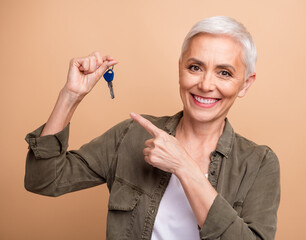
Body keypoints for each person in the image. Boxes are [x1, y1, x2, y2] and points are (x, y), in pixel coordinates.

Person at [25, 16, 280, 240]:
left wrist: (184, 166)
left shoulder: (259, 164)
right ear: (180, 68)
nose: (205, 84)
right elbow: (44, 180)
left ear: (245, 84)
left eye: (224, 73)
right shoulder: (131, 135)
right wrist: (70, 96)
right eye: (195, 67)